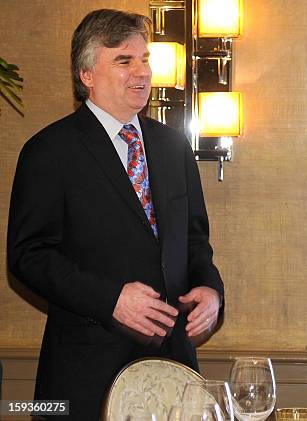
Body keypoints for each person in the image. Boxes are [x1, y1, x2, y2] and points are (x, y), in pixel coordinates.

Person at [7, 9, 224, 420]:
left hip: (173, 374)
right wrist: (111, 300)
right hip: (85, 376)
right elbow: (28, 256)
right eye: (124, 61)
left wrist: (211, 291)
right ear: (86, 74)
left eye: (145, 59)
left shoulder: (174, 147)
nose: (141, 72)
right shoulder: (49, 151)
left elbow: (195, 241)